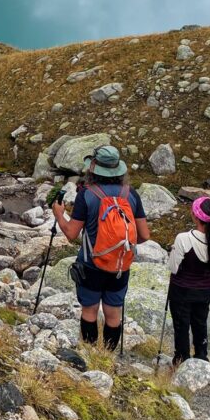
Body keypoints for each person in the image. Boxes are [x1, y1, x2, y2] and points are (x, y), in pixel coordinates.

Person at [52, 145, 150, 350]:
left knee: (89, 311)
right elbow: (144, 235)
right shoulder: (130, 194)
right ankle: (108, 357)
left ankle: (89, 354)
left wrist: (59, 214)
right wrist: (121, 245)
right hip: (120, 265)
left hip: (91, 264)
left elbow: (71, 234)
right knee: (113, 313)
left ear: (93, 169)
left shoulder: (87, 195)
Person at [166, 196, 210, 364]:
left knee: (181, 325)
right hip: (205, 289)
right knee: (200, 323)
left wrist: (172, 252)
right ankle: (201, 356)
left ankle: (181, 359)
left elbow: (173, 268)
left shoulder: (183, 239)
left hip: (181, 290)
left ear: (195, 216)